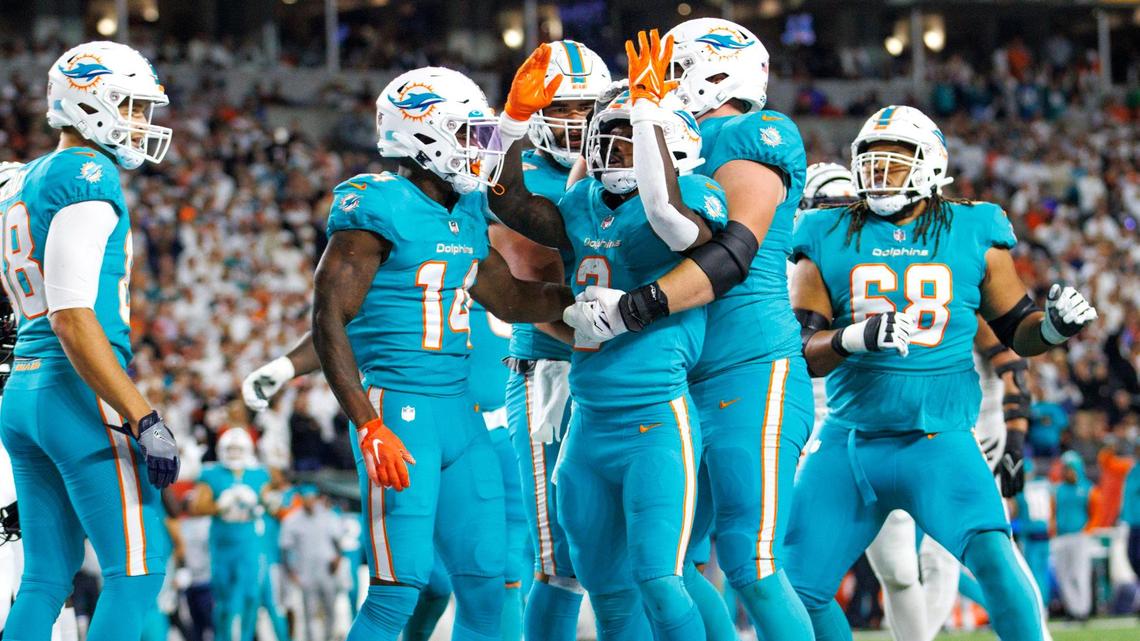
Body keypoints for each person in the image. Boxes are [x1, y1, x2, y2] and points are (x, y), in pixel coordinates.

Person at [785, 104, 1096, 641]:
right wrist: (855, 336)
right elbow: (800, 349)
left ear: (930, 167)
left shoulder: (972, 226)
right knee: (794, 590)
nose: (880, 174)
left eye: (895, 163)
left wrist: (1052, 329)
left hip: (940, 439)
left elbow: (1015, 328)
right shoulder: (822, 230)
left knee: (995, 561)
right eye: (872, 161)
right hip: (849, 442)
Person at [563, 19, 815, 639]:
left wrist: (634, 308)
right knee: (667, 565)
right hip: (674, 379)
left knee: (749, 560)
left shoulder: (751, 134)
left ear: (717, 73)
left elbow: (732, 255)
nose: (661, 86)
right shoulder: (652, 139)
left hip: (749, 365)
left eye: (672, 72)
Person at [312, 66, 573, 641]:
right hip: (399, 411)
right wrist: (366, 422)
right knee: (396, 589)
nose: (478, 147)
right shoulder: (375, 205)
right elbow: (329, 317)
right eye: (467, 133)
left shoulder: (467, 210)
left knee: (490, 577)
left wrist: (589, 299)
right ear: (422, 135)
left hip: (461, 415)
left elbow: (508, 299)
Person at [490, 35, 726, 641]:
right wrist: (510, 123)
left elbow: (668, 216)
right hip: (579, 402)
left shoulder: (692, 193)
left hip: (652, 405)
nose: (600, 139)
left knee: (661, 574)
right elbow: (504, 197)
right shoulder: (578, 200)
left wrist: (645, 117)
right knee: (583, 577)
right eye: (608, 132)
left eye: (619, 130)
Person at [0, 41, 179, 640]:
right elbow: (73, 315)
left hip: (25, 391)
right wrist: (142, 414)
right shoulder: (86, 172)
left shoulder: (20, 179)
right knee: (141, 567)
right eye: (127, 105)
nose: (139, 121)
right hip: (75, 388)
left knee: (47, 575)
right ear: (88, 101)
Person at [504, 40, 609, 641]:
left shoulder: (625, 163)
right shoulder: (519, 174)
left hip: (635, 371)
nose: (573, 121)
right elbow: (479, 176)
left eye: (583, 108)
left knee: (653, 548)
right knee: (559, 556)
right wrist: (510, 123)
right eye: (560, 108)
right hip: (552, 369)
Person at [191, 428, 269, 640]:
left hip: (249, 542)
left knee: (251, 597)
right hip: (222, 544)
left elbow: (272, 503)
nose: (234, 453)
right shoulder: (211, 473)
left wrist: (257, 503)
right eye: (230, 448)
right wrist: (219, 505)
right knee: (224, 602)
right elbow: (197, 507)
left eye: (238, 448)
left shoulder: (258, 474)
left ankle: (246, 637)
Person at [280, 485, 344, 641]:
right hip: (306, 572)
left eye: (311, 498)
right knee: (309, 612)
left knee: (330, 609)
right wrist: (292, 571)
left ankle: (329, 638)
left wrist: (338, 558)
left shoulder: (328, 516)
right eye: (305, 499)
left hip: (327, 570)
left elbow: (338, 542)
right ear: (300, 500)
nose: (309, 502)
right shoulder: (292, 520)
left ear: (316, 499)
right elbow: (285, 548)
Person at [1052, 451, 1092, 621]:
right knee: (1063, 575)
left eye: (1070, 468)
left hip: (1079, 535)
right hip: (1062, 536)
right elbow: (1053, 512)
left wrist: (1089, 529)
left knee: (1079, 573)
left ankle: (1083, 610)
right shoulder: (1058, 489)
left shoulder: (1087, 489)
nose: (1067, 472)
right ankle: (1072, 609)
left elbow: (1095, 512)